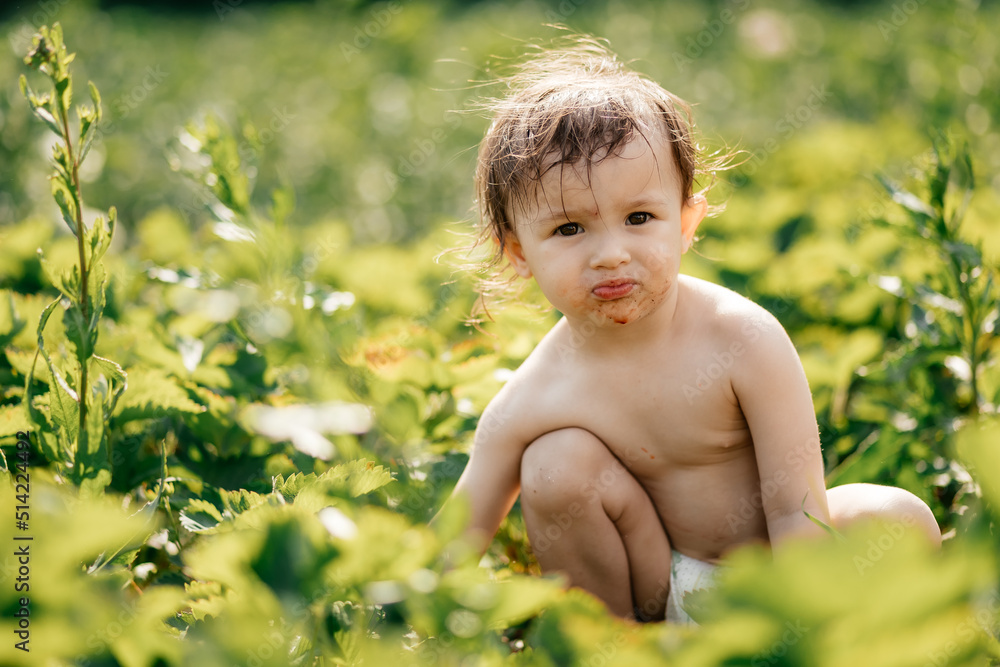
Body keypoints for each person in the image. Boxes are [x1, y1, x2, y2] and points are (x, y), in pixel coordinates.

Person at [439, 37, 941, 624]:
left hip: (778, 575)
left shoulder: (742, 340)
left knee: (897, 517)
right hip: (664, 586)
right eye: (571, 229)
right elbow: (455, 539)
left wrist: (795, 630)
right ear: (518, 251)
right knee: (554, 466)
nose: (610, 254)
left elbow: (796, 514)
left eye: (639, 218)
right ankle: (616, 648)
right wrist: (387, 611)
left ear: (685, 222)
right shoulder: (536, 395)